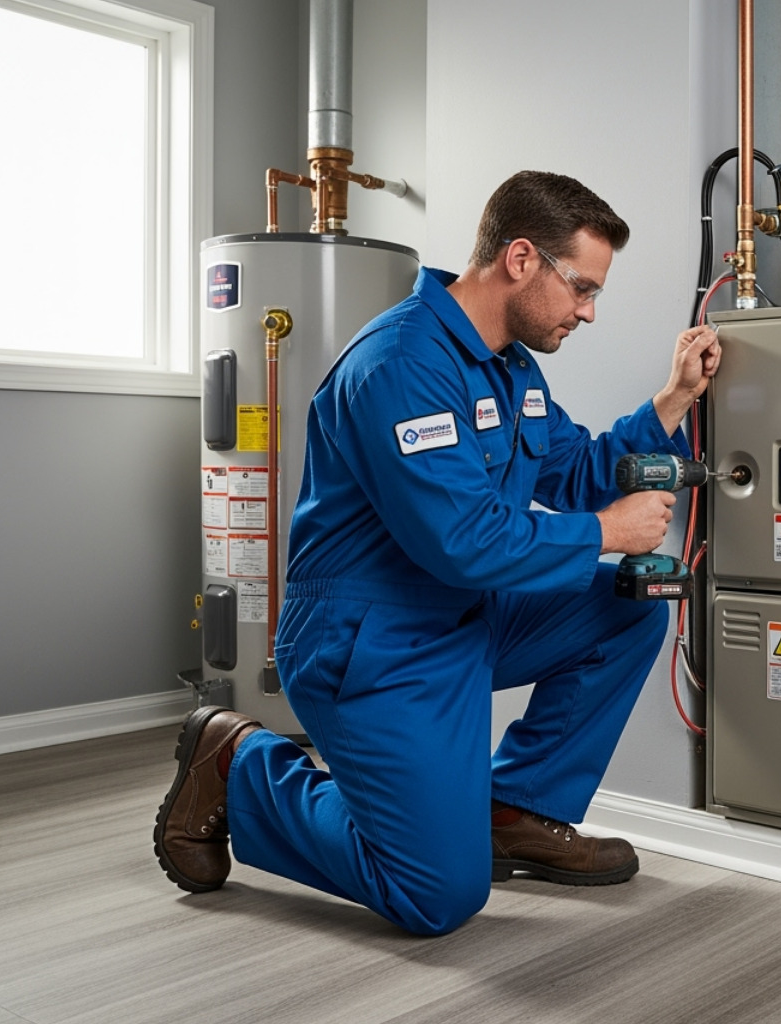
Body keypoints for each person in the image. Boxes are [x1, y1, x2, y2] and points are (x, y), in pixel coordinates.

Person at [153, 170, 721, 937]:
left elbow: (578, 471)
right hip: (373, 642)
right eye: (581, 288)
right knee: (437, 896)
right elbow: (465, 541)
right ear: (521, 259)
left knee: (627, 606)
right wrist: (606, 533)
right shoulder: (400, 365)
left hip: (460, 617)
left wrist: (674, 398)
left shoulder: (510, 367)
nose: (587, 311)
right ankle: (241, 766)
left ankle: (511, 811)